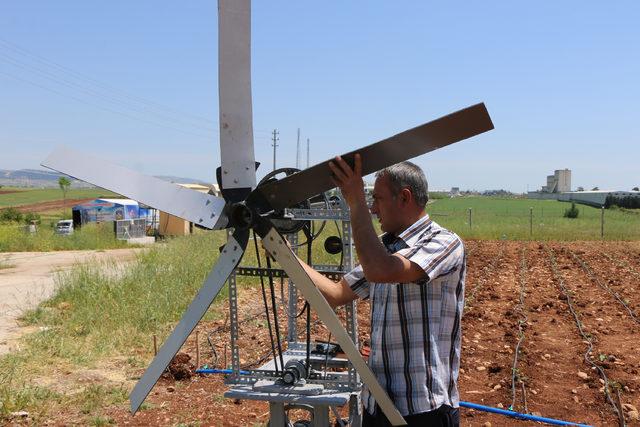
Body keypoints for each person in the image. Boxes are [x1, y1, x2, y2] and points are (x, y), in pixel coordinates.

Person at [298, 154, 465, 427]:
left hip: (423, 409)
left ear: (404, 198)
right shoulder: (385, 247)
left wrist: (355, 201)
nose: (373, 209)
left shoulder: (444, 242)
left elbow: (382, 270)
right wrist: (280, 250)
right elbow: (335, 294)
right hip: (378, 403)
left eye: (377, 199)